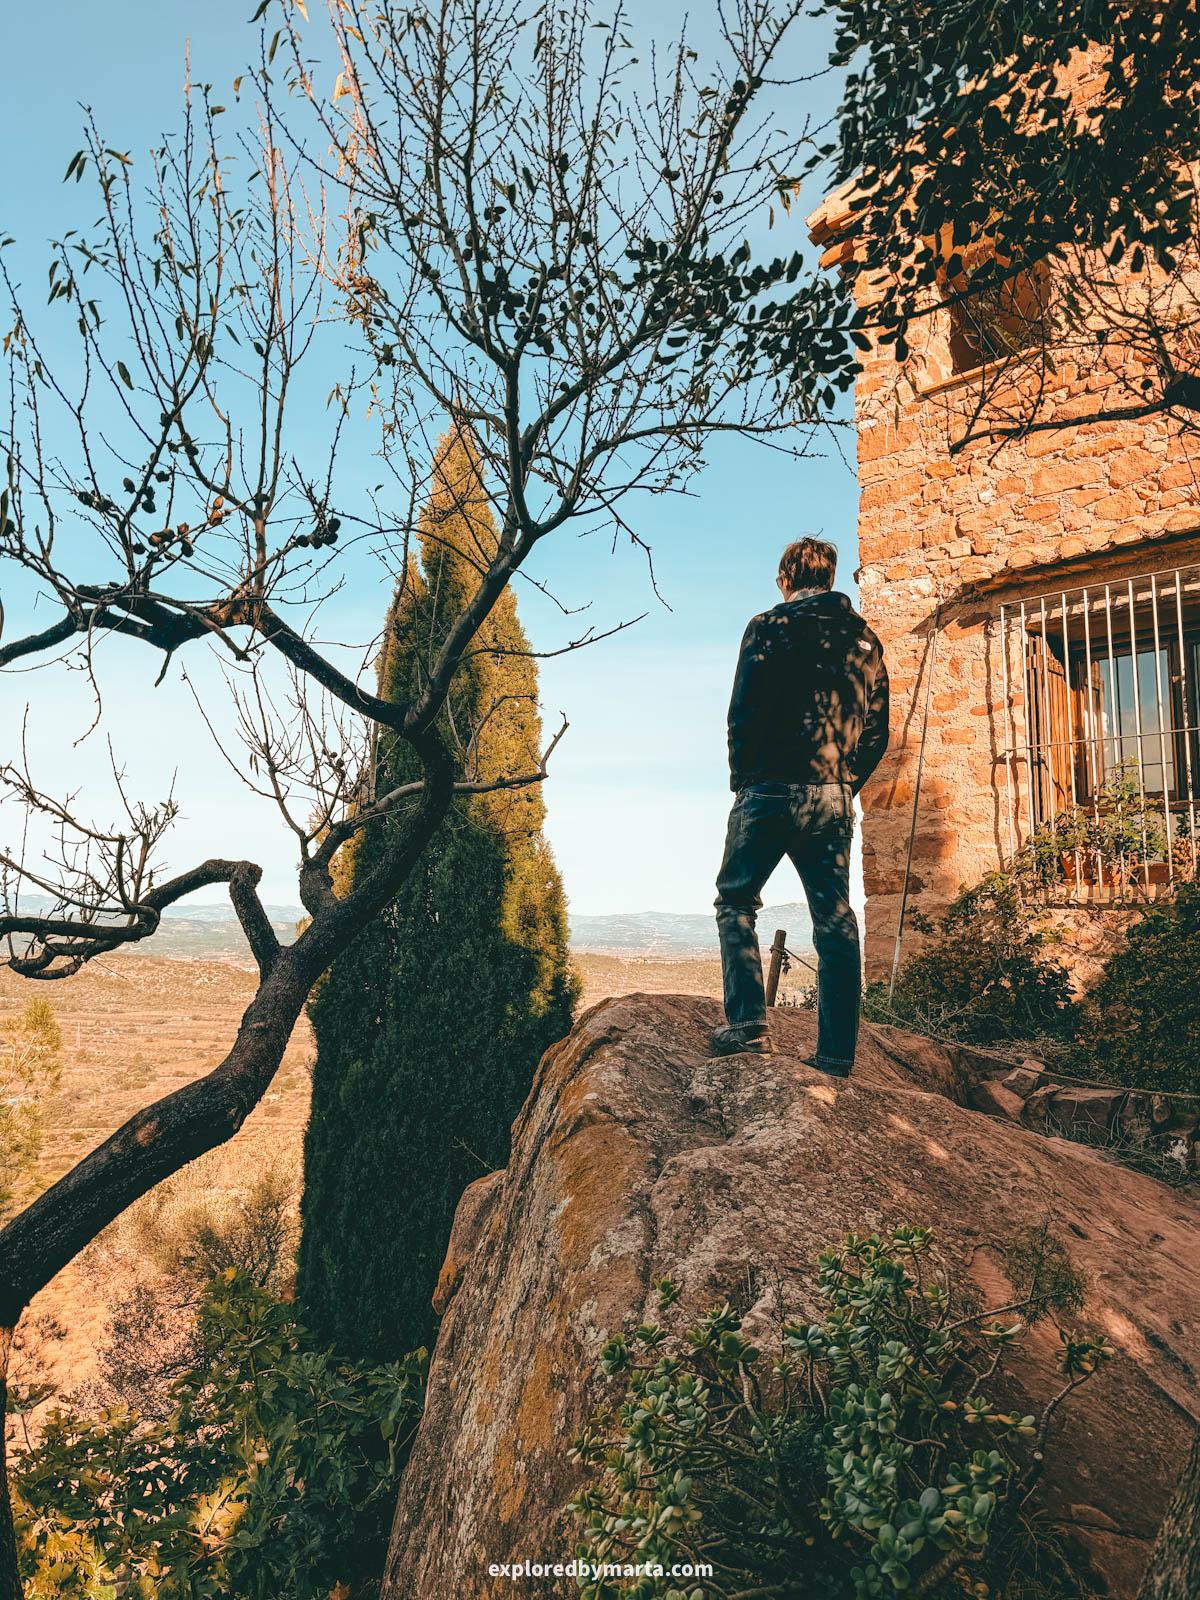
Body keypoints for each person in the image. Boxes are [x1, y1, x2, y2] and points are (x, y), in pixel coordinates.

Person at [712, 535, 889, 1074]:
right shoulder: (865, 641)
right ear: (830, 579)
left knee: (736, 900)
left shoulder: (767, 627)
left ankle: (747, 1028)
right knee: (835, 921)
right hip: (831, 796)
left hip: (767, 789)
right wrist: (843, 784)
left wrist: (744, 779)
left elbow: (742, 711)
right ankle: (836, 1055)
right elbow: (878, 730)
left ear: (786, 577)